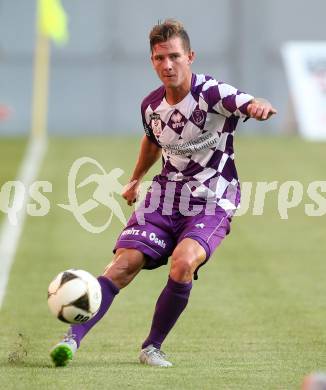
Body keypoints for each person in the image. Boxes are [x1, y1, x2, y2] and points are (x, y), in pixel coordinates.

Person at [50, 19, 277, 367]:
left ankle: (151, 347)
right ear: (152, 61)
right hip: (163, 198)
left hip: (212, 201)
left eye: (173, 56)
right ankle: (72, 339)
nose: (167, 65)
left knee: (183, 263)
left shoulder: (213, 94)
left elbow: (248, 101)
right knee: (123, 266)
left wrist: (258, 105)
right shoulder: (150, 106)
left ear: (190, 56)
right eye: (159, 58)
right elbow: (153, 141)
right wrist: (135, 178)